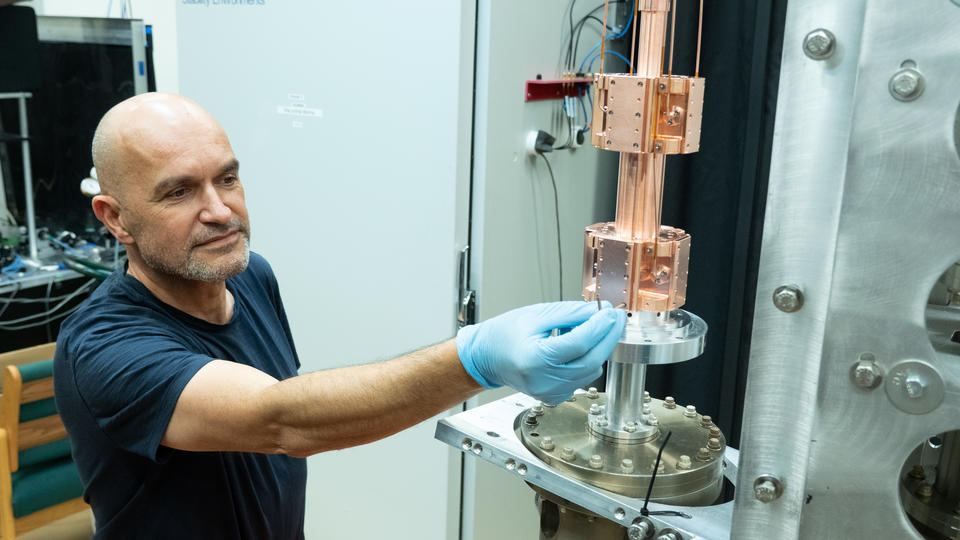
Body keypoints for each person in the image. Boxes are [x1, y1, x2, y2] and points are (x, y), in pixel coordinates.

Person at [53, 93, 626, 539]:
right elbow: (280, 421)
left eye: (227, 178)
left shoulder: (250, 276)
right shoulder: (104, 347)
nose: (220, 210)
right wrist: (473, 359)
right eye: (179, 192)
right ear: (116, 218)